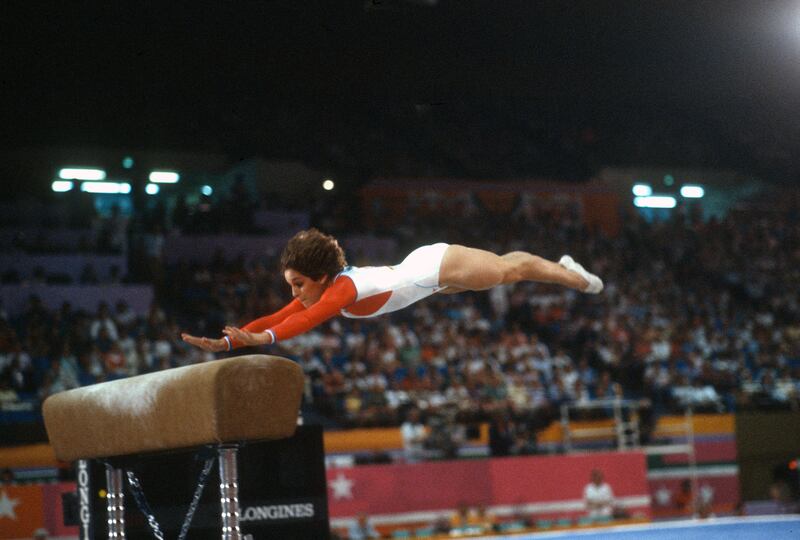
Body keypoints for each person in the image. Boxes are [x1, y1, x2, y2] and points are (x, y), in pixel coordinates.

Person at [182, 229, 603, 352]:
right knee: (506, 272)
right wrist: (230, 340)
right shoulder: (324, 289)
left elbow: (306, 319)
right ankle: (567, 271)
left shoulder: (340, 291)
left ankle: (571, 274)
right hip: (428, 282)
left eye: (298, 283)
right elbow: (280, 315)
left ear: (322, 278)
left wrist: (261, 338)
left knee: (513, 270)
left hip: (437, 265)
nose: (294, 292)